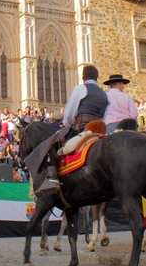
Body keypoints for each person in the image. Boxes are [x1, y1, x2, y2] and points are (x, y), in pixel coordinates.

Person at [27, 65, 108, 195]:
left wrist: (66, 123)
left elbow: (69, 113)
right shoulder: (104, 94)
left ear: (83, 76)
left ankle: (53, 177)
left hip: (81, 128)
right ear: (97, 77)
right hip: (99, 130)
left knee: (52, 142)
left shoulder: (81, 89)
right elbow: (105, 115)